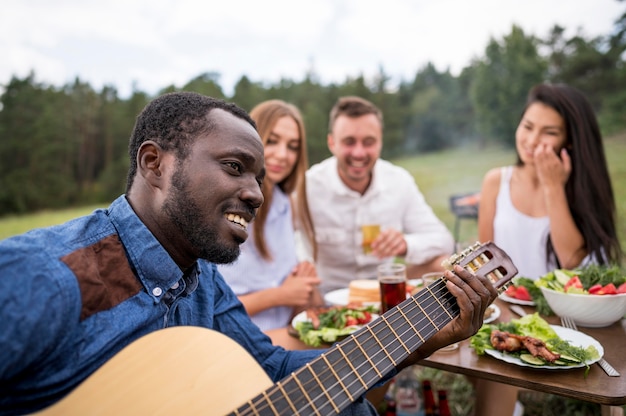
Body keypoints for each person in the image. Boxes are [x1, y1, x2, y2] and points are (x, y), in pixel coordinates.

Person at [0, 91, 498, 415]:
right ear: (155, 163)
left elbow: (273, 371)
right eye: (235, 167)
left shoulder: (202, 280)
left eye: (258, 177)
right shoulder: (47, 274)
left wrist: (421, 336)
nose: (257, 193)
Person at [475, 83, 623, 416]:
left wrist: (553, 187)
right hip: (509, 311)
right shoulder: (495, 182)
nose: (531, 140)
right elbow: (486, 262)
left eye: (549, 132)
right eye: (527, 126)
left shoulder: (580, 187)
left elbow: (574, 264)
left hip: (565, 316)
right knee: (496, 365)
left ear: (568, 141)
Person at [305, 96, 455, 294]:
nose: (359, 153)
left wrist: (405, 245)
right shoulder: (308, 185)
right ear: (331, 142)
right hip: (325, 295)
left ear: (380, 142)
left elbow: (444, 240)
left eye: (369, 142)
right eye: (349, 142)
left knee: (442, 266)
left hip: (385, 289)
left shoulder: (399, 181)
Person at [218, 99, 323, 331]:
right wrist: (281, 295)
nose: (283, 154)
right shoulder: (226, 207)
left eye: (293, 146)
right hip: (239, 341)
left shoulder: (284, 204)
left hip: (285, 331)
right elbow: (213, 312)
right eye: (272, 141)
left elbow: (288, 285)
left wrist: (303, 279)